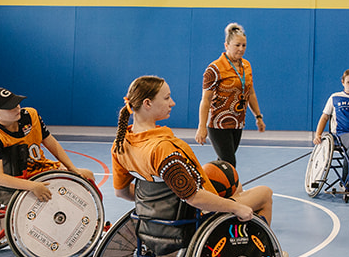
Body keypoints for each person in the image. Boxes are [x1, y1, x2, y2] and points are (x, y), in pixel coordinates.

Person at [113, 75, 275, 226]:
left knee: (233, 183)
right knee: (265, 193)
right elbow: (194, 198)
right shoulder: (162, 148)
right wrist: (236, 208)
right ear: (147, 103)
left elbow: (121, 193)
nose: (172, 103)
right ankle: (261, 245)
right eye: (167, 98)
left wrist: (155, 205)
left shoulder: (120, 145)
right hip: (193, 218)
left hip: (155, 221)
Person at [0, 86, 95, 201]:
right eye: (10, 107)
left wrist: (71, 167)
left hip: (43, 168)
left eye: (17, 103)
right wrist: (33, 186)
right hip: (25, 178)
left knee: (87, 175)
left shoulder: (30, 115)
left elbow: (50, 142)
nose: (17, 108)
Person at [195, 22, 265, 167]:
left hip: (237, 122)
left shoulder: (246, 66)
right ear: (226, 45)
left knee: (223, 163)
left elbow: (250, 93)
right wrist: (202, 126)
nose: (241, 49)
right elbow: (205, 100)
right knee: (229, 162)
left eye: (244, 45)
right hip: (218, 124)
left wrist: (258, 116)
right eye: (237, 45)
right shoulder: (215, 69)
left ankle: (209, 178)